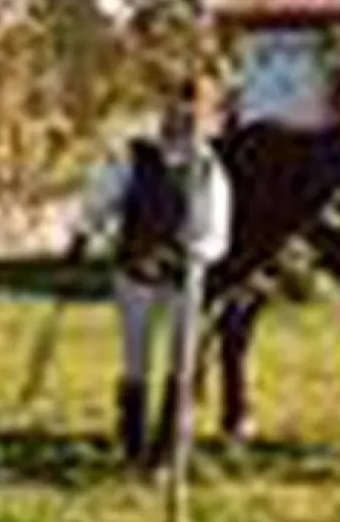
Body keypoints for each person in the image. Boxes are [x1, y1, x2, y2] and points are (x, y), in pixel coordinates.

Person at [63, 78, 234, 463]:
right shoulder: (136, 157)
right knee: (135, 355)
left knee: (180, 358)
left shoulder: (207, 168)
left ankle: (168, 445)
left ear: (203, 118)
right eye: (174, 109)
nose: (181, 118)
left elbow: (215, 231)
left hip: (182, 277)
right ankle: (131, 439)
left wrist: (192, 256)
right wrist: (83, 232)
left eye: (191, 113)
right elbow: (102, 196)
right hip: (135, 270)